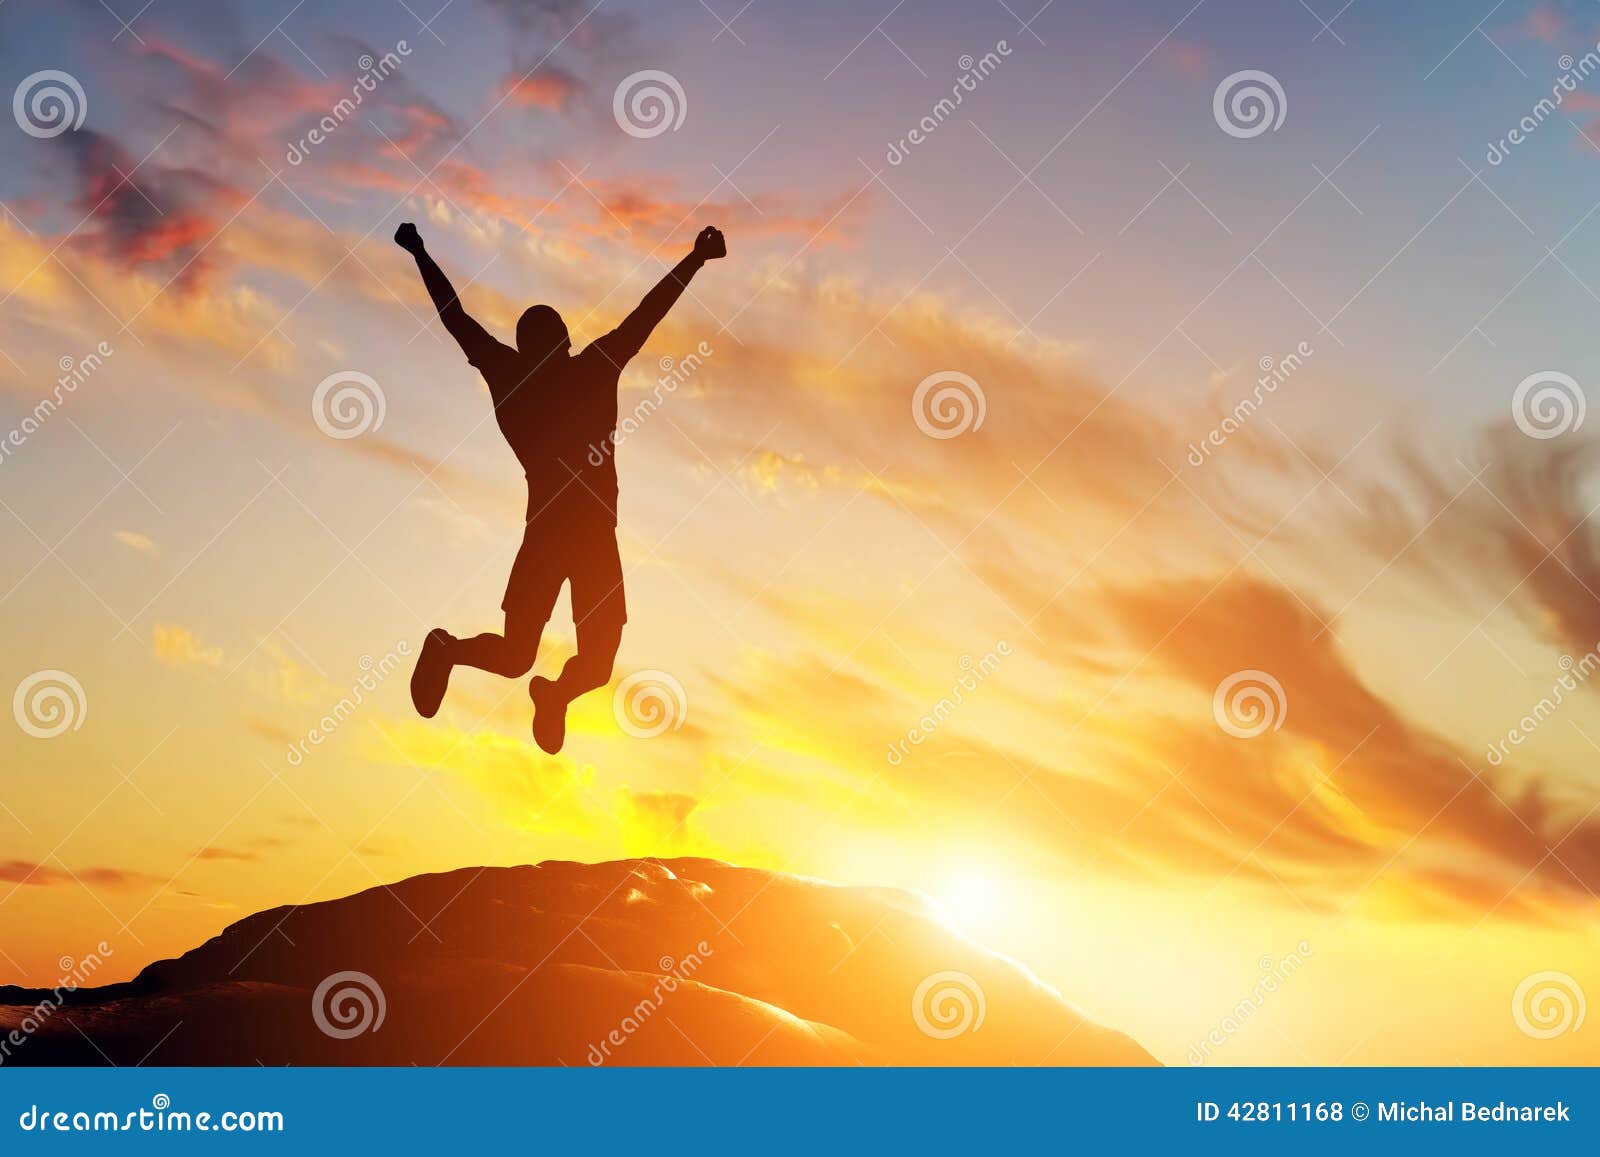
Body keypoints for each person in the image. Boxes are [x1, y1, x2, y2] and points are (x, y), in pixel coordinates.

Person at [396, 220, 726, 753]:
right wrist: (695, 259)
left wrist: (420, 251)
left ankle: (549, 696)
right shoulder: (574, 369)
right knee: (525, 657)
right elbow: (644, 315)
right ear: (557, 345)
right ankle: (448, 651)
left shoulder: (532, 373)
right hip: (561, 536)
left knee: (582, 666)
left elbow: (458, 320)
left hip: (584, 538)